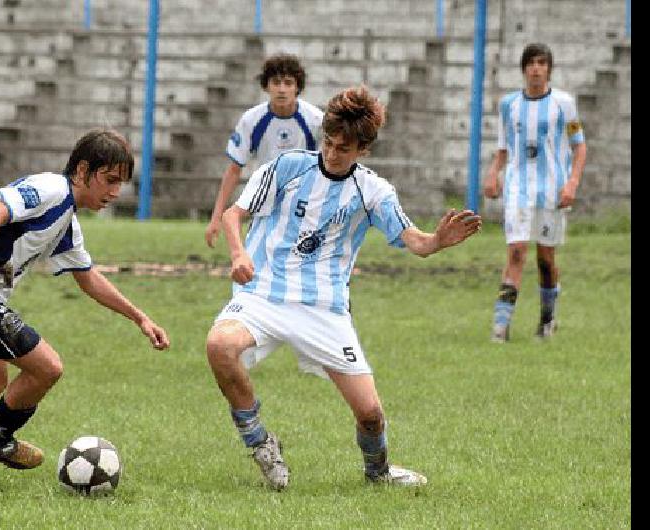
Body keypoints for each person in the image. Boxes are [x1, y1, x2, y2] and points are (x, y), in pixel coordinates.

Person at [204, 85, 482, 490]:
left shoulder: (373, 192)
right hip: (263, 295)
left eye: (344, 149)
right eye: (330, 144)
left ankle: (379, 473)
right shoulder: (285, 168)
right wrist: (238, 254)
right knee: (219, 346)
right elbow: (234, 214)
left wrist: (438, 241)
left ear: (363, 149)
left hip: (324, 310)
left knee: (370, 414)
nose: (333, 154)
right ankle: (261, 443)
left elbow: (416, 242)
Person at [0, 130, 170, 484]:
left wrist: (140, 318)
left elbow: (88, 277)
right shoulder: (51, 190)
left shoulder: (67, 221)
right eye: (109, 180)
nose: (114, 192)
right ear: (82, 170)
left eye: (121, 184)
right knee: (46, 368)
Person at [483, 43, 587, 342]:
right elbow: (504, 147)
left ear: (549, 69)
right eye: (531, 63)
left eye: (542, 63)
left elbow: (579, 146)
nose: (536, 68)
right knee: (516, 252)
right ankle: (500, 328)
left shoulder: (564, 104)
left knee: (545, 260)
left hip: (552, 190)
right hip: (518, 188)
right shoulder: (509, 105)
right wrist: (494, 174)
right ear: (524, 68)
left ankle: (547, 318)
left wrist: (572, 183)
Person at [205, 53, 323, 248]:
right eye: (276, 82)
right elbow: (234, 170)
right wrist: (216, 218)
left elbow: (327, 168)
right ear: (266, 86)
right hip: (265, 202)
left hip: (304, 204)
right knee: (256, 266)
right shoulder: (252, 120)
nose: (282, 89)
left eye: (288, 83)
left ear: (297, 87)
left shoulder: (316, 120)